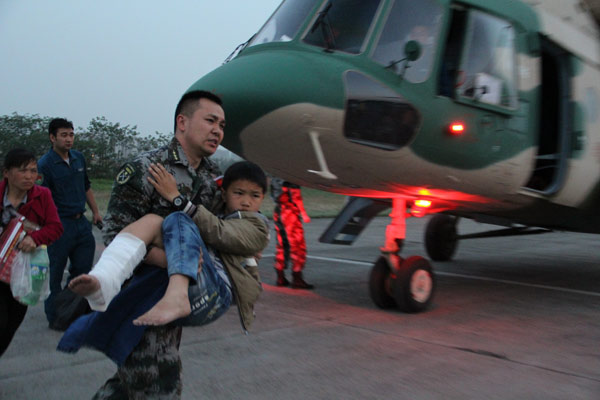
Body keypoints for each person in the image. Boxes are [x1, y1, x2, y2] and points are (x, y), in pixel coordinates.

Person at [91, 90, 225, 399]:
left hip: (174, 301)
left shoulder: (210, 179)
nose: (217, 130)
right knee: (158, 385)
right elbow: (114, 236)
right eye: (210, 120)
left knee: (133, 385)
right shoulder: (147, 168)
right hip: (139, 297)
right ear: (182, 122)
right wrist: (168, 260)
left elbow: (215, 230)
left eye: (222, 124)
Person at [68, 160, 269, 329]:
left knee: (179, 219)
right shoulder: (220, 206)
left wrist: (176, 197)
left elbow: (219, 231)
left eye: (255, 195)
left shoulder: (258, 226)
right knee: (153, 222)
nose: (246, 201)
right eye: (239, 193)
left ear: (263, 198)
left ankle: (176, 295)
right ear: (224, 194)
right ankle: (104, 281)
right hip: (198, 283)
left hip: (217, 293)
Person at [37, 118, 102, 329]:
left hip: (81, 224)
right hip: (59, 226)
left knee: (82, 272)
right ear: (52, 137)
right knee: (55, 273)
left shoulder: (78, 158)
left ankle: (72, 311)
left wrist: (96, 211)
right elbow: (41, 199)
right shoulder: (44, 165)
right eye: (63, 135)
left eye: (71, 135)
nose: (68, 139)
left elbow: (86, 186)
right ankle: (56, 317)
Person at [0, 148, 63, 357]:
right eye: (23, 170)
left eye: (33, 171)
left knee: (11, 324)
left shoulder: (42, 195)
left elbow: (55, 227)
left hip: (22, 270)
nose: (29, 176)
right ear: (6, 173)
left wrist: (34, 238)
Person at [271, 177, 313, 289]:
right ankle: (297, 277)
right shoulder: (289, 174)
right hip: (290, 212)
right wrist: (303, 213)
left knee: (282, 244)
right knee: (297, 245)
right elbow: (295, 195)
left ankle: (280, 276)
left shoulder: (276, 175)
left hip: (279, 210)